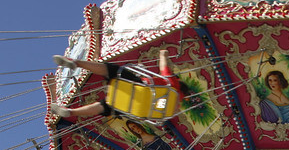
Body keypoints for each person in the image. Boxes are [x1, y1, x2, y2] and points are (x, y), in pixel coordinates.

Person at [50, 49, 188, 119]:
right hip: (138, 109)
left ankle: (76, 63)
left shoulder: (171, 82)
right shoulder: (176, 105)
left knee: (112, 70)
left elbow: (164, 65)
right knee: (105, 107)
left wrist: (163, 55)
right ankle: (71, 112)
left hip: (141, 89)